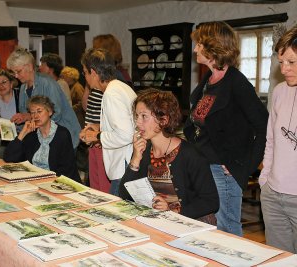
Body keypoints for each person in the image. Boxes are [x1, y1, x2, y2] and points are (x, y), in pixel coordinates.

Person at [183, 21, 269, 236]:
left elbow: (263, 124)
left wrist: (246, 165)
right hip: (203, 165)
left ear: (213, 47)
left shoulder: (236, 83)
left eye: (199, 44)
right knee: (207, 226)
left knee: (227, 229)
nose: (195, 49)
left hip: (223, 170)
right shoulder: (208, 79)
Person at [119, 89, 219, 221]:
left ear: (164, 120)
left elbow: (211, 202)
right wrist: (135, 159)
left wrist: (173, 210)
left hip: (189, 224)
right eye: (137, 116)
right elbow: (124, 194)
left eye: (144, 116)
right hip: (160, 221)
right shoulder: (144, 150)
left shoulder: (190, 154)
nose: (138, 123)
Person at [259, 25, 297, 253]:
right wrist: (265, 181)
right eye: (281, 62)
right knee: (278, 259)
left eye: (291, 62)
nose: (284, 69)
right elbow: (271, 139)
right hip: (273, 194)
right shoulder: (280, 91)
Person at [80, 48, 136, 196]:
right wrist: (99, 126)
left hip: (123, 163)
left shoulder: (111, 94)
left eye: (84, 72)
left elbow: (126, 134)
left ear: (93, 72)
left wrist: (97, 136)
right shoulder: (119, 87)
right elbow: (126, 124)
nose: (84, 77)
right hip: (127, 160)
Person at [6, 47, 81, 149]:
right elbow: (28, 123)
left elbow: (56, 114)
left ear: (30, 66)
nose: (16, 76)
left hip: (64, 138)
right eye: (13, 72)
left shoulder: (47, 83)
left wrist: (28, 116)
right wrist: (8, 129)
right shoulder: (23, 88)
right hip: (44, 140)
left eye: (18, 71)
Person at [4, 95, 81, 183]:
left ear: (50, 112)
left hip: (58, 183)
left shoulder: (62, 134)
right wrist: (23, 133)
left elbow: (66, 170)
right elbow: (9, 158)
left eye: (39, 111)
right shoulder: (31, 134)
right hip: (35, 181)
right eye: (32, 113)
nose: (35, 115)